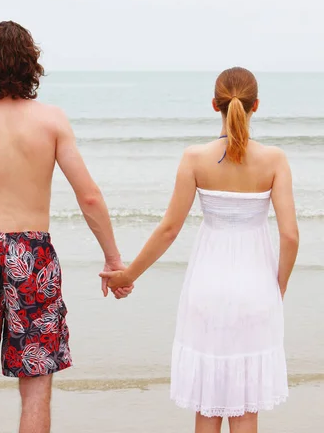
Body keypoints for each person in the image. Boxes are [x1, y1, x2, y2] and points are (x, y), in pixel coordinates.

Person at [0, 21, 131, 433]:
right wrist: (113, 259)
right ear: (31, 67)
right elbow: (89, 197)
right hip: (33, 254)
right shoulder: (51, 122)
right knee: (36, 385)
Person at [101, 67, 299, 433]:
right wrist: (280, 284)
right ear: (256, 106)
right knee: (245, 409)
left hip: (206, 288)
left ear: (215, 105)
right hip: (256, 289)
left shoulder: (194, 158)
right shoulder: (275, 160)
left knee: (208, 407)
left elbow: (169, 230)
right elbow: (290, 236)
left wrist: (128, 275)